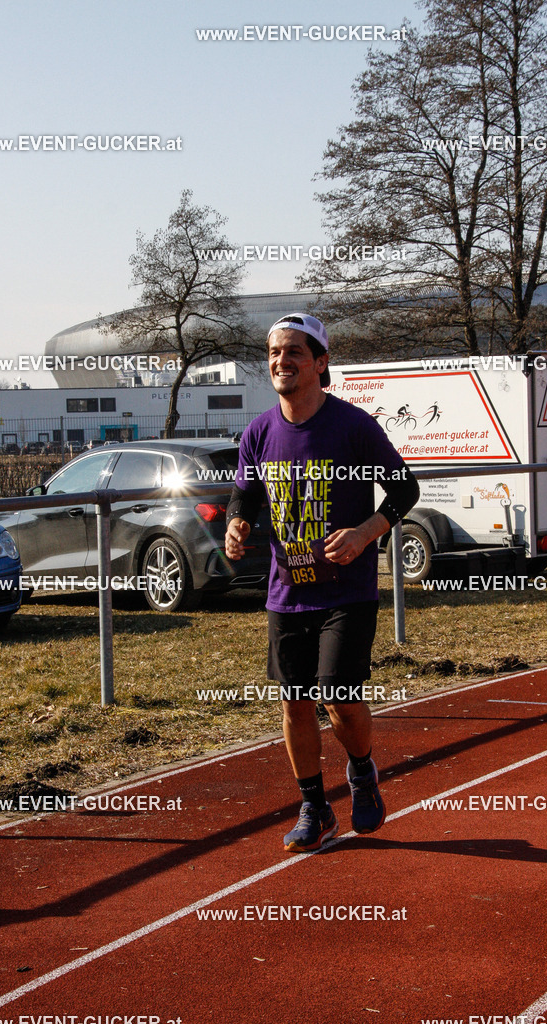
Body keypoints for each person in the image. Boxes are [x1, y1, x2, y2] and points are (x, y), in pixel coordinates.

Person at [225, 314, 419, 853]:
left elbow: (404, 490)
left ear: (320, 362)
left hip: (347, 590)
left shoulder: (353, 427)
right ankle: (313, 805)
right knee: (293, 701)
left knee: (338, 696)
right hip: (288, 591)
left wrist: (365, 532)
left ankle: (361, 771)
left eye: (293, 353)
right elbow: (245, 493)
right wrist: (237, 523)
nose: (281, 362)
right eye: (273, 353)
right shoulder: (259, 431)